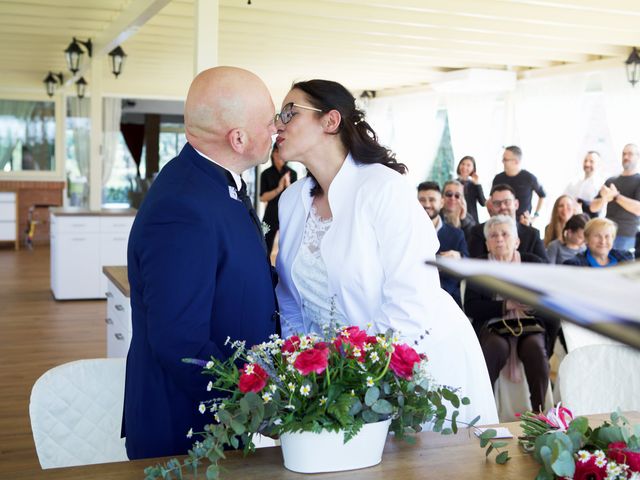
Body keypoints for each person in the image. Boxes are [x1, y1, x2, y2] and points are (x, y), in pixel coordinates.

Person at [274, 79, 498, 425]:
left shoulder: (383, 188)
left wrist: (360, 376)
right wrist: (309, 369)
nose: (278, 123)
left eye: (290, 112)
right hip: (338, 381)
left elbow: (410, 299)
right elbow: (291, 299)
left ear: (330, 121)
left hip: (417, 360)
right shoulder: (291, 201)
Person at [123, 67, 278, 460]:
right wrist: (251, 403)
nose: (276, 128)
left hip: (220, 422)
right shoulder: (182, 206)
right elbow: (180, 341)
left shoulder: (211, 183)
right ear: (238, 138)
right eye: (268, 120)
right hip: (187, 430)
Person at [464, 215, 558, 412]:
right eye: (493, 235)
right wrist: (506, 305)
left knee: (534, 349)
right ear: (487, 244)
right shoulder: (479, 267)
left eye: (505, 234)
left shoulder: (533, 263)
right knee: (495, 348)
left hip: (529, 323)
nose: (499, 239)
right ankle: (483, 411)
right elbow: (471, 307)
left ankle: (540, 414)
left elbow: (551, 301)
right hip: (493, 325)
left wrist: (531, 306)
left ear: (516, 241)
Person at [417, 181, 469, 306]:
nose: (427, 204)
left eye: (432, 200)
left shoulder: (457, 235)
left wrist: (459, 257)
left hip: (446, 298)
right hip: (414, 294)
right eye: (422, 200)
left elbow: (468, 263)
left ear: (441, 203)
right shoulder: (406, 231)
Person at [468, 184, 549, 262]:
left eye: (507, 202)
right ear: (491, 207)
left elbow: (545, 268)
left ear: (516, 204)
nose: (502, 207)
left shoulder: (532, 234)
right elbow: (473, 265)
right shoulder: (478, 232)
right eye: (497, 203)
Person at [589, 144, 640, 252]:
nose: (626, 157)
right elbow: (593, 207)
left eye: (630, 154)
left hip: (627, 236)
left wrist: (616, 196)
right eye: (624, 154)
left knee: (621, 268)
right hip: (606, 235)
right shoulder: (611, 181)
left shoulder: (638, 180)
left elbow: (638, 209)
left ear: (638, 157)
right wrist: (604, 198)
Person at [259, 144, 298, 257]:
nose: (280, 155)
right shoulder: (265, 174)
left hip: (287, 214)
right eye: (277, 152)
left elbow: (294, 198)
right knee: (264, 243)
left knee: (288, 246)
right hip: (270, 214)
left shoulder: (292, 173)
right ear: (273, 154)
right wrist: (279, 188)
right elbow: (262, 198)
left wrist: (288, 185)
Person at [492, 145, 546, 223]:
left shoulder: (529, 177)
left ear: (516, 161)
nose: (502, 162)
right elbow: (492, 200)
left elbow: (542, 196)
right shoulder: (498, 178)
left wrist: (535, 216)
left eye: (505, 159)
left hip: (523, 222)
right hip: (502, 222)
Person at [563, 218, 634, 267]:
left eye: (607, 236)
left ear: (613, 239)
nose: (603, 241)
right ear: (586, 239)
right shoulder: (574, 265)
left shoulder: (626, 259)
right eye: (597, 236)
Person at [564, 151, 602, 218]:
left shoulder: (600, 186)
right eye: (585, 161)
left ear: (598, 164)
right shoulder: (574, 183)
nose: (587, 164)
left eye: (591, 161)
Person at [456, 155, 487, 223]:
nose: (464, 167)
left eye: (468, 165)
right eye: (463, 164)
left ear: (473, 169)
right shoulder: (453, 184)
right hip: (456, 219)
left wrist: (477, 184)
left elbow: (483, 203)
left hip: (471, 220)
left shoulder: (475, 184)